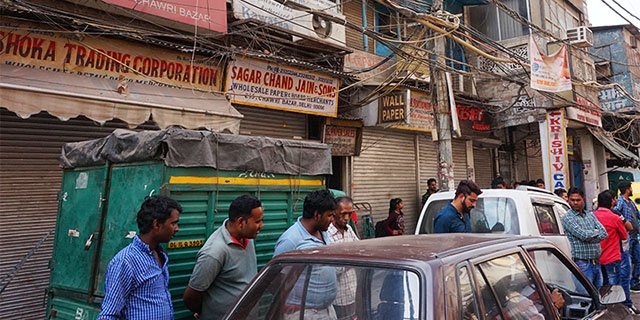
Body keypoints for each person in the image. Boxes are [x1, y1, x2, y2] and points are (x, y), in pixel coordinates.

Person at [98, 196, 182, 320]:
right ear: (157, 224)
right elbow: (109, 314)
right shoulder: (125, 261)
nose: (177, 229)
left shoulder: (159, 255)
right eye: (173, 223)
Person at [183, 195, 264, 320]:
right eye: (257, 221)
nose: (261, 226)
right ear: (241, 222)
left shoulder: (248, 238)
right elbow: (191, 296)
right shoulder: (214, 252)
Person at [274, 189, 338, 319]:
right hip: (303, 313)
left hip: (326, 311)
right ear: (317, 215)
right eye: (330, 215)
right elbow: (276, 280)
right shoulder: (291, 240)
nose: (332, 220)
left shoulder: (323, 232)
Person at [560, 188, 608, 289]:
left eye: (578, 200)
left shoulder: (590, 215)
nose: (575, 203)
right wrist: (595, 233)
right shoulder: (568, 218)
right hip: (582, 264)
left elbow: (604, 233)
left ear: (583, 200)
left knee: (598, 295)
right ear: (568, 200)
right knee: (586, 297)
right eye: (572, 200)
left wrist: (590, 235)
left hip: (596, 262)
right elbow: (583, 235)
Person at [327, 197, 359, 320]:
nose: (346, 218)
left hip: (352, 292)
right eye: (343, 214)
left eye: (349, 214)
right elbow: (334, 268)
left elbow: (360, 250)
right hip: (337, 298)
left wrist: (348, 258)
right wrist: (352, 259)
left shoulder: (349, 230)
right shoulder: (328, 234)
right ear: (334, 212)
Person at [593, 190, 628, 287]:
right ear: (611, 202)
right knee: (614, 286)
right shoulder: (615, 217)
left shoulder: (592, 216)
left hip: (596, 258)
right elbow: (624, 236)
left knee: (601, 286)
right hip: (612, 257)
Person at [615, 181, 640, 293]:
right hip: (627, 236)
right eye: (630, 188)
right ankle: (629, 283)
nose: (631, 190)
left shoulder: (630, 202)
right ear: (627, 189)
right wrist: (624, 221)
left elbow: (637, 214)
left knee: (638, 259)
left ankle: (635, 282)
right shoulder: (620, 202)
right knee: (627, 260)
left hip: (634, 235)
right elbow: (615, 212)